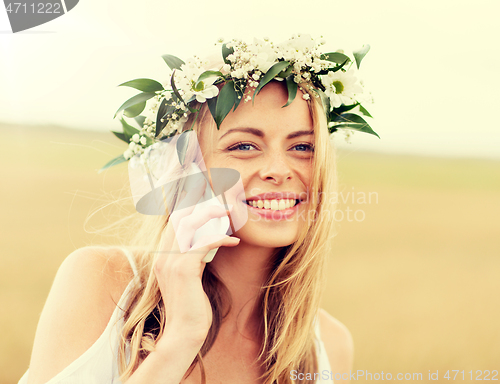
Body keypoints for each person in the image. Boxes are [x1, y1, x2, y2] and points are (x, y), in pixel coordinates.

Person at [19, 35, 377, 384]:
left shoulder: (329, 345)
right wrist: (180, 340)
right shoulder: (102, 283)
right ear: (188, 167)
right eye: (244, 146)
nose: (280, 170)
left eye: (302, 147)